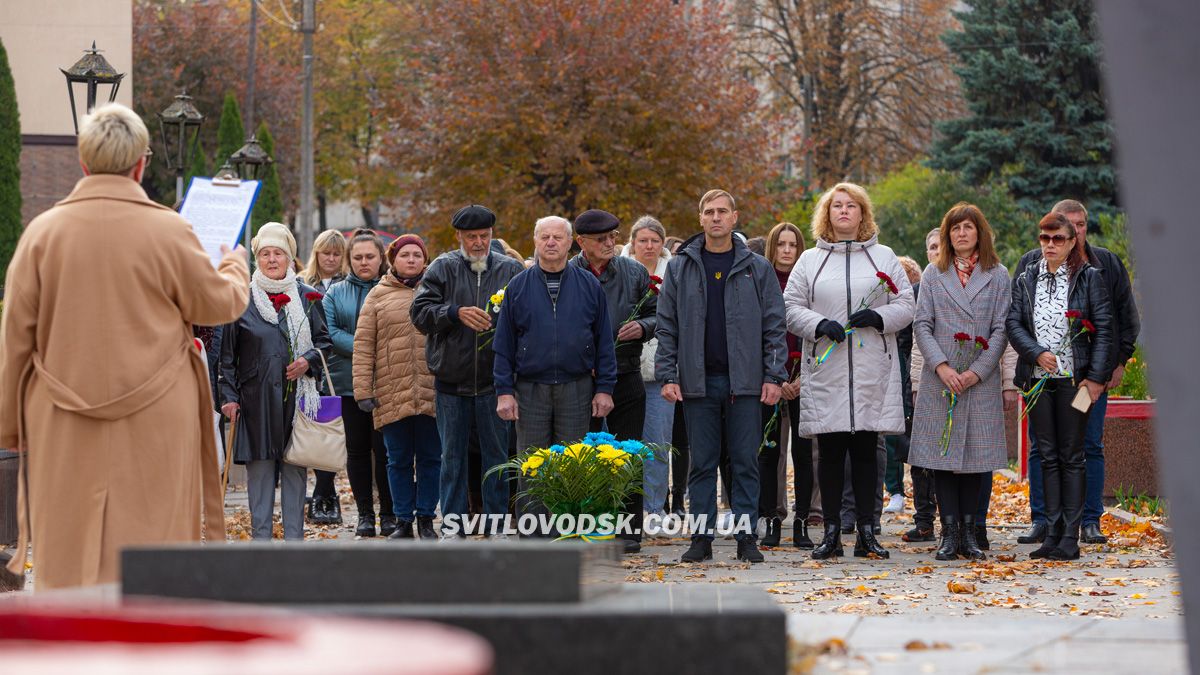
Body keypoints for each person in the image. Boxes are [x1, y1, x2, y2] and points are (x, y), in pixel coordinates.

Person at [0, 104, 249, 589]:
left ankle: (77, 642)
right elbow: (218, 304)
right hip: (158, 413)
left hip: (62, 411)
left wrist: (10, 424)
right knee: (155, 535)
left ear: (83, 162)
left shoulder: (41, 234)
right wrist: (235, 265)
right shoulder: (169, 230)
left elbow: (15, 338)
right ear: (140, 165)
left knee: (68, 540)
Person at [783, 182, 915, 560]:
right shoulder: (810, 260)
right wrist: (818, 323)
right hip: (828, 369)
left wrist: (880, 316)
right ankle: (830, 533)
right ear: (827, 213)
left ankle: (868, 532)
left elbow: (907, 304)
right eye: (837, 205)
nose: (843, 211)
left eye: (851, 206)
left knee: (866, 451)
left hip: (871, 367)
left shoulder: (884, 256)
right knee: (829, 450)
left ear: (862, 213)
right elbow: (790, 306)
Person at [656, 189, 788, 564]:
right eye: (709, 212)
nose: (716, 218)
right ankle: (702, 538)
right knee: (702, 463)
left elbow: (774, 326)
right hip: (698, 383)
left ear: (734, 217)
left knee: (745, 460)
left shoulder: (756, 267)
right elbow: (667, 326)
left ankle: (747, 537)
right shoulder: (681, 267)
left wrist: (773, 376)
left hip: (745, 383)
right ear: (700, 219)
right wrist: (668, 374)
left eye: (722, 212)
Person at [1014, 200, 1139, 546]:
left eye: (1078, 225)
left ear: (1079, 232)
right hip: (1041, 380)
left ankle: (1088, 520)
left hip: (1086, 381)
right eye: (1055, 229)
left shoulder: (1104, 265)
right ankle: (1043, 520)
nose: (1069, 232)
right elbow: (1017, 318)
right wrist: (1033, 355)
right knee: (1042, 447)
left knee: (1087, 443)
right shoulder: (1029, 266)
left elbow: (1121, 322)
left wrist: (1113, 367)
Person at [494, 216, 617, 532]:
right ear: (535, 241)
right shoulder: (518, 287)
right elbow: (504, 344)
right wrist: (504, 391)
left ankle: (571, 533)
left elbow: (604, 340)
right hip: (530, 389)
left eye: (557, 237)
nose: (551, 242)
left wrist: (604, 388)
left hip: (576, 388)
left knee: (573, 466)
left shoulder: (589, 285)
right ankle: (533, 535)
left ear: (570, 242)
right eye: (544, 237)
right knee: (532, 466)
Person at [412, 205, 525, 537]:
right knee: (452, 461)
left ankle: (497, 527)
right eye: (472, 237)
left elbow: (526, 318)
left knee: (498, 459)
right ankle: (454, 527)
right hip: (451, 381)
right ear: (458, 236)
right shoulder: (442, 268)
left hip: (496, 382)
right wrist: (454, 312)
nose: (479, 243)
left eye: (485, 236)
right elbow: (419, 313)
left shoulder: (511, 269)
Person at [908, 203, 1011, 561]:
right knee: (943, 456)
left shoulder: (997, 275)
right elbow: (922, 324)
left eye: (968, 227)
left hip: (978, 380)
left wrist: (976, 371)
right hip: (942, 378)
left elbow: (1001, 329)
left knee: (974, 459)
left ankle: (970, 532)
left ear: (979, 231)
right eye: (955, 229)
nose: (961, 234)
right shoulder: (934, 274)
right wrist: (942, 366)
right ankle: (948, 533)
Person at [219, 222, 331, 542]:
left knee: (295, 476)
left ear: (290, 258)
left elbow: (324, 345)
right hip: (256, 406)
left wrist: (307, 361)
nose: (271, 259)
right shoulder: (242, 298)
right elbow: (227, 357)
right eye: (265, 253)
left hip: (298, 405)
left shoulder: (309, 297)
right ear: (257, 259)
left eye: (278, 253)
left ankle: (294, 546)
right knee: (261, 480)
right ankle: (261, 547)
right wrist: (228, 396)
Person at [569, 209, 656, 553]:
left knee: (628, 452)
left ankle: (628, 529)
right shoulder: (567, 271)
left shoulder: (634, 271)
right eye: (601, 239)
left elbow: (658, 312)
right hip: (581, 378)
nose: (609, 243)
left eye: (613, 237)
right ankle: (587, 525)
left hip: (626, 372)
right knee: (583, 453)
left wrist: (644, 327)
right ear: (581, 242)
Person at [354, 235, 440, 540]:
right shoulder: (377, 296)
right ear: (393, 259)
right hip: (392, 390)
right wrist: (363, 390)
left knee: (431, 458)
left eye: (418, 254)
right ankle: (403, 520)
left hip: (433, 390)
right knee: (398, 459)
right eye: (405, 254)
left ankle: (427, 518)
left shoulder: (437, 290)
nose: (412, 259)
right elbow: (363, 345)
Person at [325, 230, 392, 537]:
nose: (364, 262)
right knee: (357, 450)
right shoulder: (335, 292)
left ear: (381, 258)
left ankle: (390, 513)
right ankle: (365, 513)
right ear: (349, 260)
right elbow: (331, 332)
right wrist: (367, 346)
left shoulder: (394, 288)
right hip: (349, 382)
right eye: (358, 257)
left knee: (388, 451)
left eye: (370, 257)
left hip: (388, 383)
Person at [756, 222, 816, 548]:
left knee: (804, 453)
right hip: (771, 379)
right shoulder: (762, 283)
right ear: (773, 247)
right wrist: (775, 378)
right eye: (781, 244)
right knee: (769, 452)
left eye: (793, 244)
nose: (787, 250)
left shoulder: (809, 284)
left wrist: (801, 381)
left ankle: (803, 521)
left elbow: (817, 336)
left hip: (804, 378)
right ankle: (772, 520)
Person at [622, 215, 674, 523]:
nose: (649, 246)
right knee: (625, 448)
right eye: (643, 240)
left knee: (656, 445)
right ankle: (624, 511)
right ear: (633, 242)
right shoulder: (620, 270)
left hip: (660, 371)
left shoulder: (674, 272)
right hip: (624, 370)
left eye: (655, 240)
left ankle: (653, 509)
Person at [300, 228, 349, 525]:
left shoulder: (347, 285)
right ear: (316, 254)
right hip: (312, 369)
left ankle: (326, 493)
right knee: (316, 435)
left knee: (335, 434)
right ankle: (323, 492)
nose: (330, 259)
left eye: (336, 254)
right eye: (325, 253)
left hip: (341, 369)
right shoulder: (303, 284)